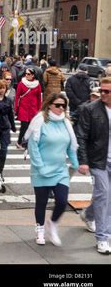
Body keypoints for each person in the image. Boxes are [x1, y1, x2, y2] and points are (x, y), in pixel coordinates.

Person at [25, 93, 79, 246]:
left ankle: (53, 224)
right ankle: (40, 229)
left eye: (64, 105)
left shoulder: (66, 123)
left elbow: (70, 146)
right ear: (49, 105)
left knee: (62, 201)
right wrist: (40, 167)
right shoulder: (40, 121)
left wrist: (75, 163)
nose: (61, 108)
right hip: (41, 169)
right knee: (41, 202)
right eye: (58, 105)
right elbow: (33, 146)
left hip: (60, 170)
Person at [76, 77, 111, 254]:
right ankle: (103, 237)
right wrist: (82, 161)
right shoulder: (90, 109)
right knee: (104, 194)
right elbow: (81, 136)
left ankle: (89, 214)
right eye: (101, 90)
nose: (102, 94)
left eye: (107, 91)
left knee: (105, 196)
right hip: (99, 160)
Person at [15, 68, 42, 149]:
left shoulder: (37, 84)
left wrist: (39, 109)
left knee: (31, 127)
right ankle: (20, 142)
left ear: (33, 75)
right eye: (26, 74)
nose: (26, 75)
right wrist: (16, 108)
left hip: (33, 109)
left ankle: (26, 143)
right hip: (23, 108)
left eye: (29, 74)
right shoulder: (21, 83)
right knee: (24, 126)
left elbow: (39, 98)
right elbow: (17, 96)